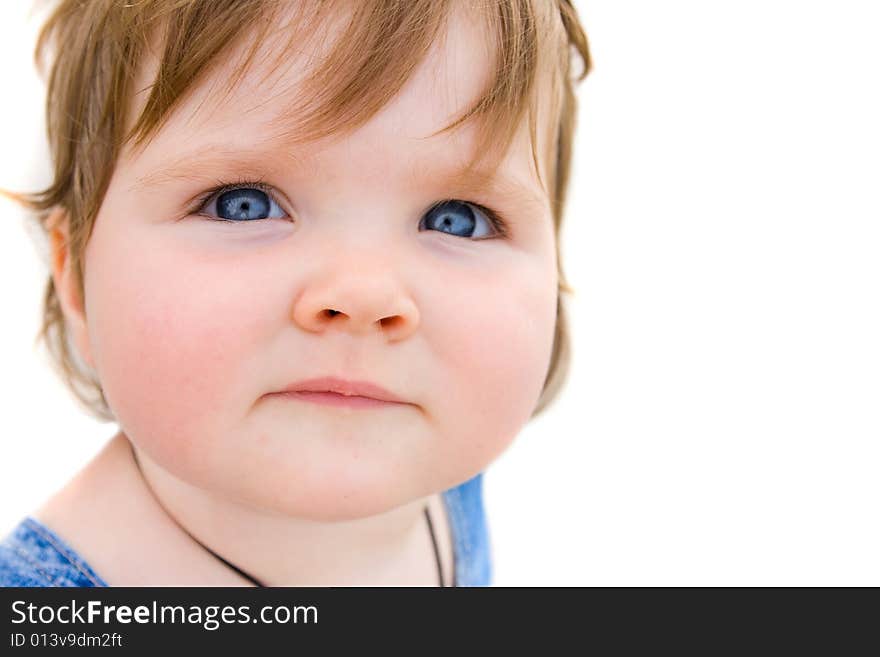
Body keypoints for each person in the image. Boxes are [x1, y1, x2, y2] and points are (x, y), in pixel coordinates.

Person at [0, 0, 590, 587]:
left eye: (458, 218)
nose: (364, 295)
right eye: (242, 204)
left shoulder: (445, 476)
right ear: (73, 275)